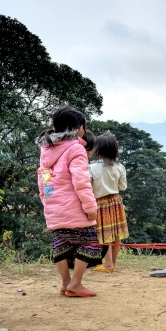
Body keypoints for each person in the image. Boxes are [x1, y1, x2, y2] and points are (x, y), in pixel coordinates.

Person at [37, 107, 103, 297]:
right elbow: (81, 181)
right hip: (75, 208)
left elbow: (43, 180)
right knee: (90, 243)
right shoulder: (76, 148)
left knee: (60, 244)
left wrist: (46, 202)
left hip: (53, 206)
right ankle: (76, 284)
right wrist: (90, 207)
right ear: (77, 128)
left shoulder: (46, 150)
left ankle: (66, 283)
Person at [89, 132, 129, 272]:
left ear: (97, 149)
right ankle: (113, 263)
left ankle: (108, 264)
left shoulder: (92, 168)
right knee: (116, 233)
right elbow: (123, 187)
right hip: (116, 201)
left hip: (100, 203)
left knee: (104, 233)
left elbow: (88, 187)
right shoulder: (119, 167)